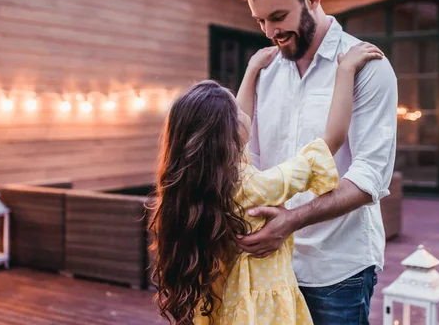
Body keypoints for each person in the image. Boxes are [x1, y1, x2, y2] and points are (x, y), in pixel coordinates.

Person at [148, 42, 383, 324]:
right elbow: (330, 140)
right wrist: (345, 71)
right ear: (228, 137)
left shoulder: (210, 184)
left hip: (229, 304)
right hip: (265, 311)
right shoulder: (255, 187)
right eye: (235, 113)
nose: (242, 110)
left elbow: (239, 118)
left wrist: (252, 70)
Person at [233, 0, 398, 324]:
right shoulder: (266, 70)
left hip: (337, 270)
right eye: (260, 21)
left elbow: (370, 175)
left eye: (278, 17)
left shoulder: (366, 66)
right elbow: (253, 158)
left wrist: (290, 220)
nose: (271, 32)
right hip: (272, 265)